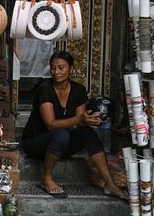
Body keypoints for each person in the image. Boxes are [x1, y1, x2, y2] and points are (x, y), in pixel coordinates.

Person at [21, 51, 128, 200]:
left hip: (59, 144)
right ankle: (46, 178)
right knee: (61, 133)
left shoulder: (78, 90)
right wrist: (80, 119)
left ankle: (110, 183)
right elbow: (51, 125)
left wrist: (90, 120)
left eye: (61, 67)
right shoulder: (45, 89)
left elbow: (81, 122)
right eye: (53, 68)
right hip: (35, 143)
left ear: (71, 68)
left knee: (88, 133)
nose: (56, 72)